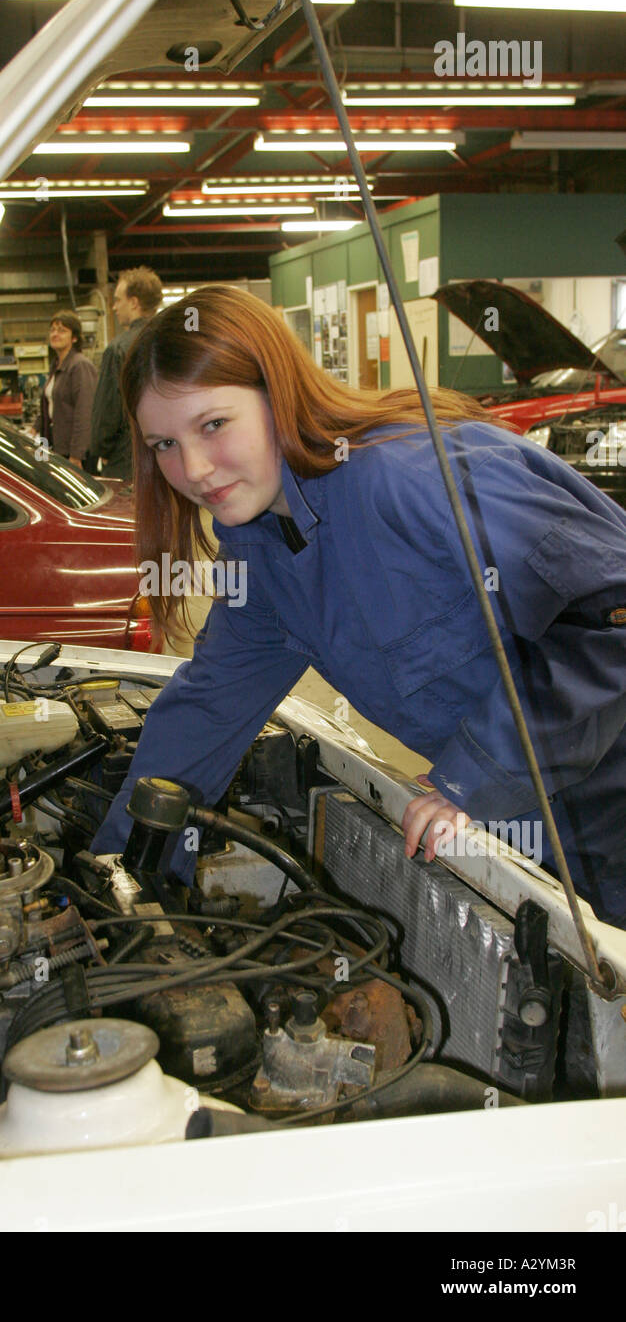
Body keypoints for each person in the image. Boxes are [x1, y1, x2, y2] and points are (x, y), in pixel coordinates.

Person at [90, 285, 626, 927]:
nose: (196, 468)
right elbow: (208, 707)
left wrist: (472, 778)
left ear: (276, 392)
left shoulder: (406, 479)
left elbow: (608, 612)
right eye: (164, 445)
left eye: (213, 424)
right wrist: (116, 876)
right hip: (533, 834)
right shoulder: (263, 549)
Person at [90, 267, 163, 480]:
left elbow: (107, 414)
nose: (114, 307)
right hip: (171, 458)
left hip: (129, 461)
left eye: (118, 300)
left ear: (134, 302)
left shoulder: (120, 349)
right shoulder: (175, 341)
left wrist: (100, 449)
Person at [42, 311, 96, 469]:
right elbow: (50, 403)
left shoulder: (80, 366)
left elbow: (85, 412)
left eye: (62, 330)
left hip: (74, 452)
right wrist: (34, 429)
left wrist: (76, 455)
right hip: (57, 445)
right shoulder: (56, 365)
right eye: (52, 330)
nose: (55, 334)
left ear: (74, 337)